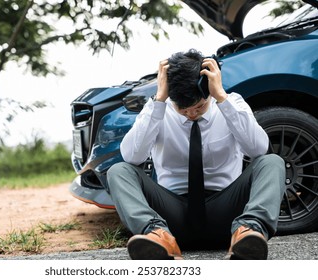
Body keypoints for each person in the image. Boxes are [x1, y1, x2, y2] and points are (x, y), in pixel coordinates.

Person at [106, 48, 286, 260]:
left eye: (199, 107)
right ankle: (156, 236)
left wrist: (221, 98)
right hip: (172, 215)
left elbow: (258, 149)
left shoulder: (231, 103)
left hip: (226, 211)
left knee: (272, 162)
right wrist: (159, 101)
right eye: (183, 109)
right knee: (118, 171)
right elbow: (132, 157)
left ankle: (248, 233)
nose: (191, 114)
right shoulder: (157, 109)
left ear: (208, 89)